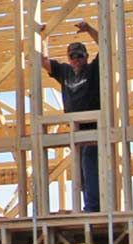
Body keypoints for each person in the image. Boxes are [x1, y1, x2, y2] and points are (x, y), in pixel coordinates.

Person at [42, 21, 102, 212]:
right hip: (75, 129)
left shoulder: (93, 70)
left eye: (80, 56)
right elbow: (43, 61)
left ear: (86, 57)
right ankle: (90, 206)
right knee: (81, 170)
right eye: (73, 56)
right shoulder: (65, 72)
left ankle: (93, 208)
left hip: (93, 126)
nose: (76, 59)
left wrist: (90, 29)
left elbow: (108, 45)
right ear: (68, 58)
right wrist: (44, 37)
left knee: (88, 163)